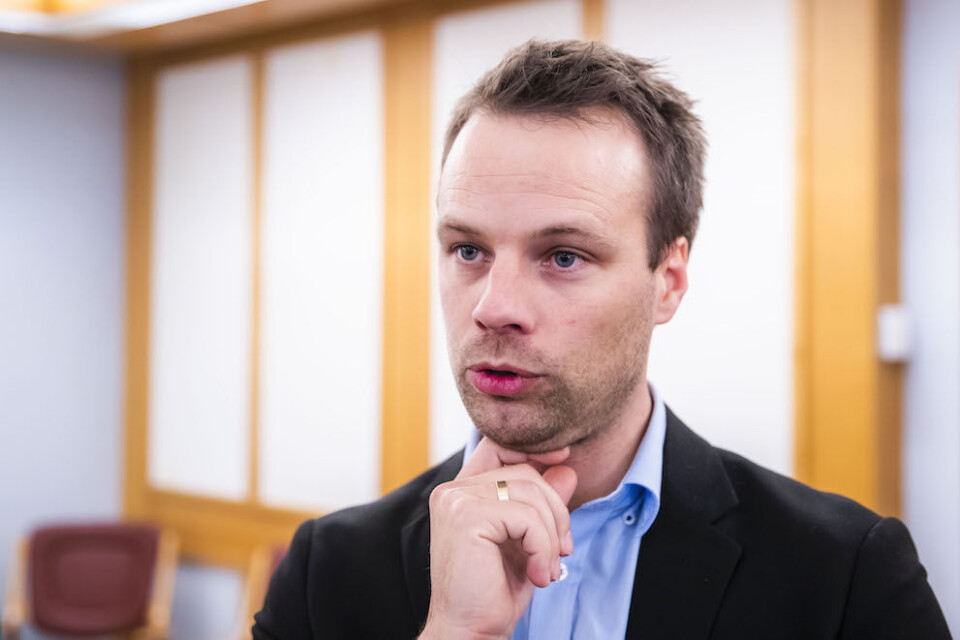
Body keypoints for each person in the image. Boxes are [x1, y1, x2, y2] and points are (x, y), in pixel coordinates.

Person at [252, 39, 950, 639]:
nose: (494, 308)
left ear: (668, 282)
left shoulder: (846, 578)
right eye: (468, 250)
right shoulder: (324, 574)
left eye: (563, 256)